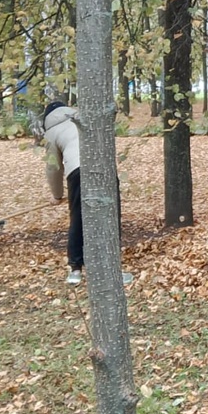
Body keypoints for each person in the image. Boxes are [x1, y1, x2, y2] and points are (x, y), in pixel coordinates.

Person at [42, 102, 132, 286]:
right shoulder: (83, 117)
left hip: (77, 172)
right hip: (105, 168)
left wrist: (57, 195)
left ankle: (75, 269)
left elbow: (53, 167)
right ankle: (113, 267)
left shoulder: (51, 131)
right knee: (111, 218)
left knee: (78, 219)